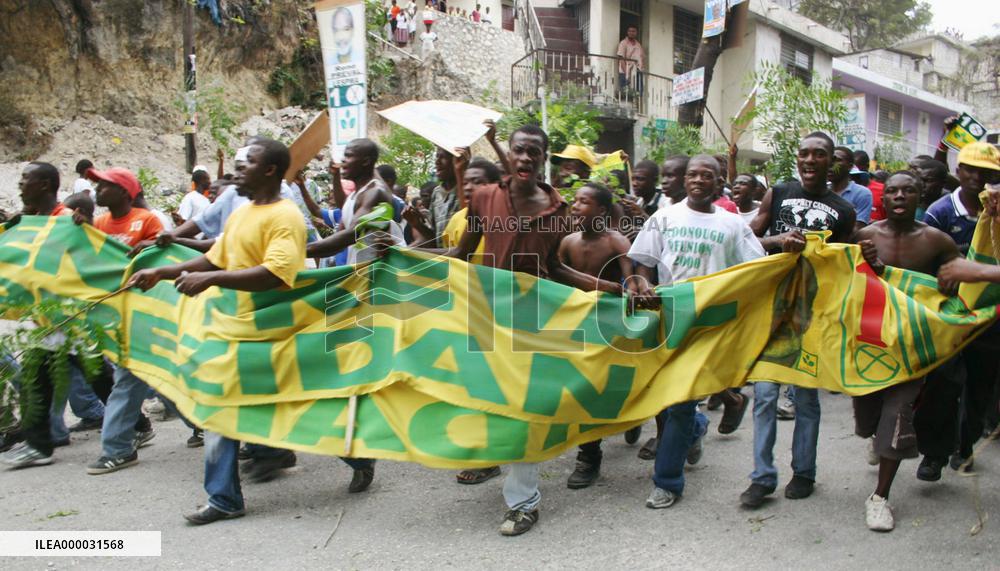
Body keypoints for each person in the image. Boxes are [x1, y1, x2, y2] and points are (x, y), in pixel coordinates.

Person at [127, 138, 376, 525]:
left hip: (274, 333)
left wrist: (211, 280)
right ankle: (224, 498)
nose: (238, 170)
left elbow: (275, 273)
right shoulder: (243, 214)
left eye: (248, 164)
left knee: (302, 406)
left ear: (271, 171)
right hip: (235, 331)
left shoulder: (286, 217)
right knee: (217, 405)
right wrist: (162, 271)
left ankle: (357, 453)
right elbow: (214, 256)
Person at [382, 125, 609, 536]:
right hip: (485, 312)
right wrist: (403, 256)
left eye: (533, 152)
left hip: (532, 317)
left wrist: (613, 288)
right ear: (512, 153)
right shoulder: (485, 198)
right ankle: (490, 458)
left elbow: (556, 268)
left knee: (524, 407)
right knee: (484, 396)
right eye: (518, 150)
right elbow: (459, 253)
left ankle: (523, 503)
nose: (525, 158)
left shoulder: (558, 210)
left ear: (543, 158)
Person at [629, 155, 765, 509]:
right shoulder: (664, 217)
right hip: (668, 319)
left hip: (709, 324)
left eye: (708, 176)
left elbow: (757, 269)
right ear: (684, 180)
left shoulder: (732, 224)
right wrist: (642, 290)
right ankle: (698, 427)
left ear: (720, 182)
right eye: (693, 175)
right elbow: (643, 262)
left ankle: (667, 482)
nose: (699, 181)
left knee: (678, 401)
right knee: (667, 397)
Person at [742, 132, 856, 508]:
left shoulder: (843, 210)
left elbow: (843, 267)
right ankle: (761, 478)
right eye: (804, 153)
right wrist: (778, 242)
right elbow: (748, 239)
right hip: (770, 307)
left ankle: (804, 472)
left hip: (812, 313)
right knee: (764, 396)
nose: (810, 160)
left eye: (818, 154)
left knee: (806, 397)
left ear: (830, 163)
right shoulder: (779, 191)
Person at [851, 171, 959, 531]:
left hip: (912, 348)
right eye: (893, 190)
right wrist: (861, 262)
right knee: (867, 416)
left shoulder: (937, 241)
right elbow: (843, 281)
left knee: (897, 415)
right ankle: (875, 438)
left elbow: (953, 286)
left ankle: (880, 496)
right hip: (868, 345)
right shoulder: (864, 236)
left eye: (908, 190)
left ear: (920, 195)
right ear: (884, 198)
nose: (899, 196)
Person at [918, 142, 1000, 476]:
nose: (977, 177)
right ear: (958, 170)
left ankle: (964, 448)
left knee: (981, 384)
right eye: (970, 169)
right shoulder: (939, 212)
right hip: (949, 312)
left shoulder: (996, 209)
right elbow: (926, 258)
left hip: (990, 315)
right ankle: (934, 453)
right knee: (943, 382)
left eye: (987, 172)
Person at [559, 182, 636, 489]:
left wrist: (632, 288)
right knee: (583, 390)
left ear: (602, 210)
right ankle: (588, 456)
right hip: (577, 328)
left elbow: (632, 277)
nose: (576, 206)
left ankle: (634, 418)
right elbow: (556, 278)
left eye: (584, 202)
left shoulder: (616, 241)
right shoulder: (567, 242)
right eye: (574, 201)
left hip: (610, 329)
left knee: (615, 387)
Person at [0, 163, 74, 468]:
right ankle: (40, 445)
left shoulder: (66, 221)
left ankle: (135, 425)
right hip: (47, 319)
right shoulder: (34, 221)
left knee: (106, 380)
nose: (20, 185)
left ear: (44, 185)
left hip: (73, 316)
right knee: (36, 379)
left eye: (25, 179)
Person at [307, 138, 404, 264]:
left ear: (366, 161)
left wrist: (298, 250)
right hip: (358, 275)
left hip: (374, 278)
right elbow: (338, 243)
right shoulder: (355, 195)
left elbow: (350, 235)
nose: (342, 160)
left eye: (348, 156)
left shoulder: (375, 192)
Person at [403, 147, 459, 247]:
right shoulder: (436, 193)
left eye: (443, 157)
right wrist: (417, 224)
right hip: (444, 260)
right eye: (437, 156)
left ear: (457, 161)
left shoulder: (465, 191)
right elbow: (435, 239)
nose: (437, 162)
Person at [830, 146, 873, 229]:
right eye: (830, 160)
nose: (831, 165)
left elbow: (857, 229)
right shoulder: (820, 191)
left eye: (837, 160)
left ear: (849, 166)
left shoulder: (862, 193)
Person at [617, 25, 644, 94]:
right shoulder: (623, 43)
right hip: (625, 70)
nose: (631, 33)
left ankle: (638, 103)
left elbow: (641, 58)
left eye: (633, 31)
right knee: (625, 93)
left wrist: (641, 68)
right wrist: (626, 73)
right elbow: (621, 58)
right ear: (627, 32)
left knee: (639, 92)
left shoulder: (638, 45)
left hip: (637, 71)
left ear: (636, 33)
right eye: (630, 31)